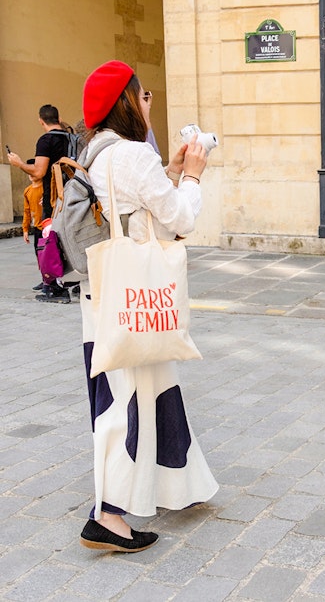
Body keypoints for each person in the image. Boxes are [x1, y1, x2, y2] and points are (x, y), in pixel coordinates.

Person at [75, 60, 217, 552]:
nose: (148, 102)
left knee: (154, 389)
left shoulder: (97, 153)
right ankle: (107, 517)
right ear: (128, 102)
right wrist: (193, 177)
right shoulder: (133, 154)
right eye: (144, 94)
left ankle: (182, 484)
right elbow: (178, 218)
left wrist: (171, 169)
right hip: (134, 295)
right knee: (127, 402)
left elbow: (136, 208)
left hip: (106, 291)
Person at [7, 104, 77, 302]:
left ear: (41, 121)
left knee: (50, 240)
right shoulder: (72, 138)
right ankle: (76, 282)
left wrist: (19, 163)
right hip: (75, 196)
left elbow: (39, 172)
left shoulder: (46, 140)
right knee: (70, 238)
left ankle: (55, 288)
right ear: (58, 117)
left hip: (54, 197)